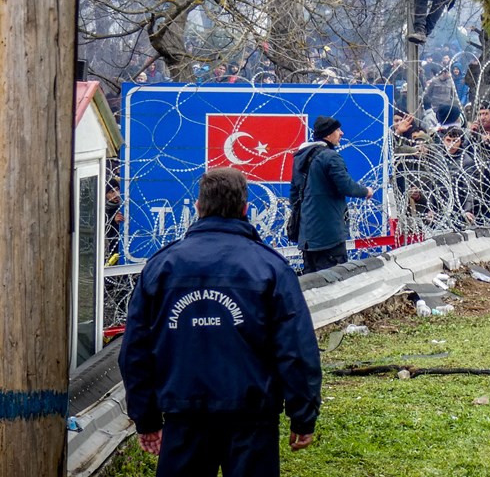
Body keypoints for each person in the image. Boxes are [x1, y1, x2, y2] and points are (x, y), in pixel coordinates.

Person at [119, 167, 322, 477]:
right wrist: (303, 414)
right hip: (252, 417)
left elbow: (135, 350)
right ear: (245, 209)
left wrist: (146, 418)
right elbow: (296, 349)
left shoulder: (161, 267)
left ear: (198, 207)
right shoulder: (270, 267)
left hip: (183, 413)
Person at [289, 115, 373, 274]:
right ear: (328, 134)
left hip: (307, 236)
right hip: (329, 236)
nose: (341, 133)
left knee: (312, 282)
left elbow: (294, 196)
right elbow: (346, 186)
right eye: (337, 130)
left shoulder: (301, 157)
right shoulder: (330, 156)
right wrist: (366, 191)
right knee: (335, 280)